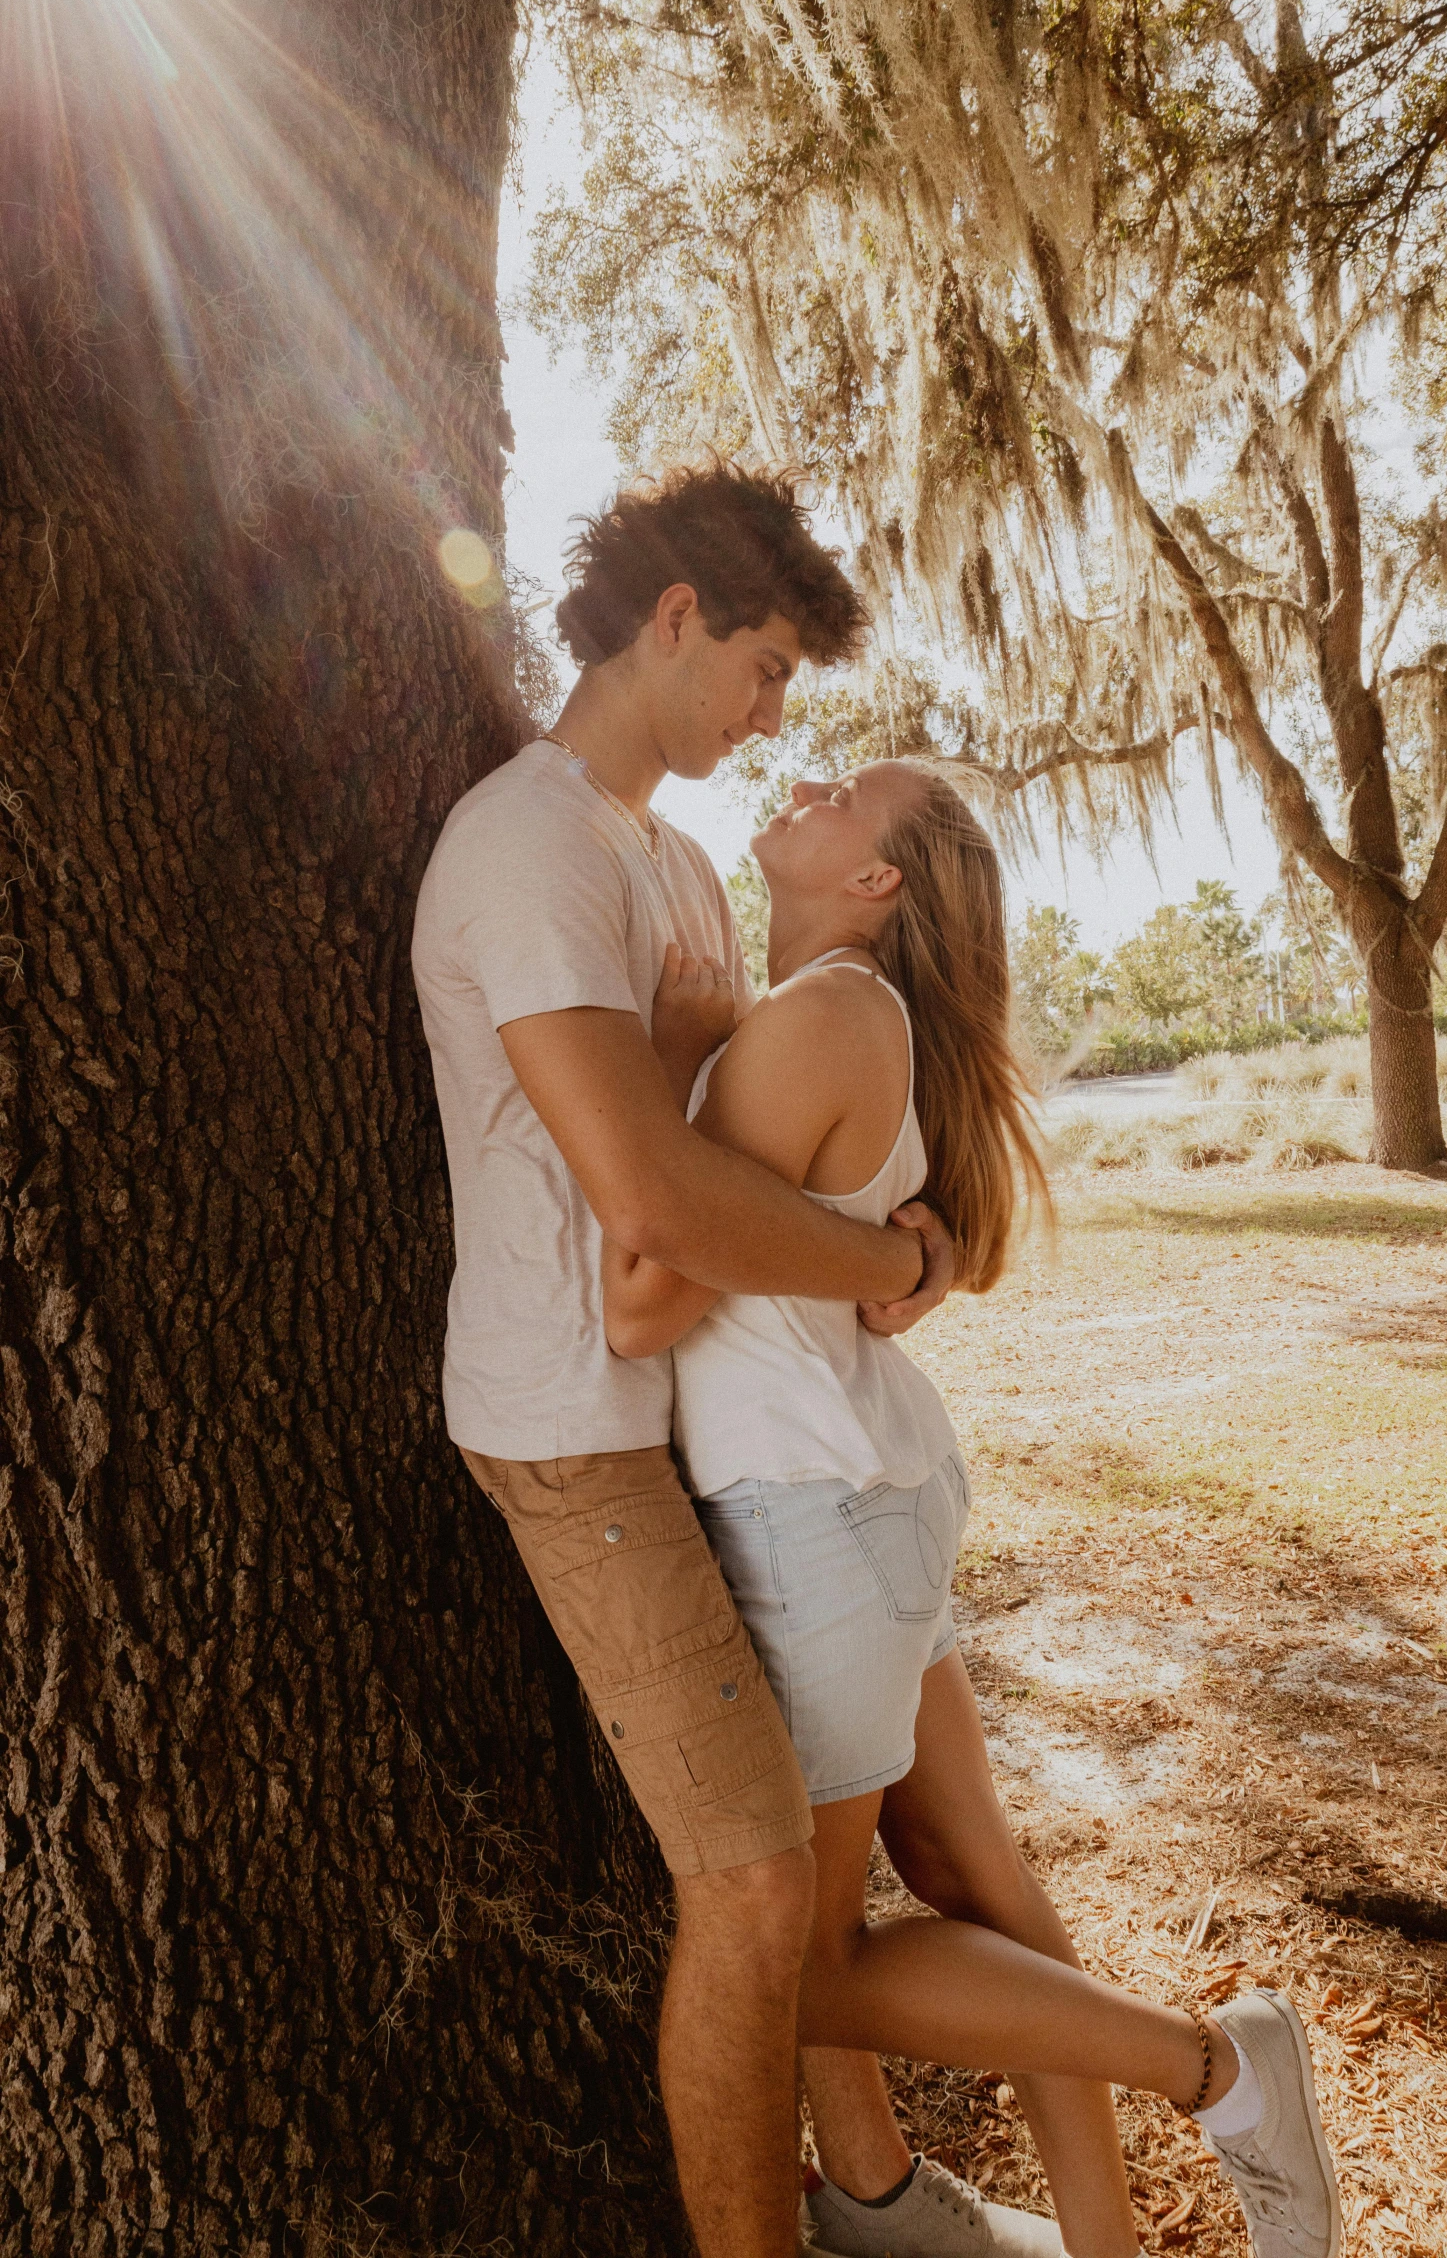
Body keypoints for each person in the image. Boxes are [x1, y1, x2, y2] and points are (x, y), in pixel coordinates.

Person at [411, 463, 1048, 2258]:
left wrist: (880, 1246)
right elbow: (659, 1199)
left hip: (707, 1429)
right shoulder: (527, 847)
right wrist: (884, 1256)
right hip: (580, 1433)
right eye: (765, 666)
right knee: (764, 1883)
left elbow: (750, 1134)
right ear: (675, 617)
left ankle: (870, 2195)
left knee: (827, 1857)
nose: (778, 715)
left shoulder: (675, 860)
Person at [601, 759, 1344, 2258]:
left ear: (877, 881)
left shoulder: (818, 1016)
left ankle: (1218, 2067)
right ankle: (1103, 2236)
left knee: (792, 1972)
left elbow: (646, 1298)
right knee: (974, 1883)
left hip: (812, 1518)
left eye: (842, 789)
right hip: (865, 1494)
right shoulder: (838, 1012)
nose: (803, 779)